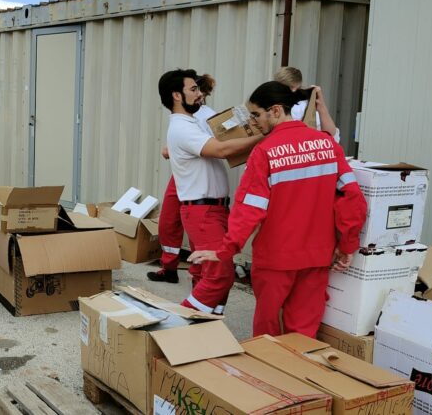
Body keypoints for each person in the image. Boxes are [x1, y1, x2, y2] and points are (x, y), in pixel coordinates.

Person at [188, 81, 367, 337]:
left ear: (275, 111)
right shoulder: (328, 145)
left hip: (275, 258)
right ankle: (298, 373)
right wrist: (348, 244)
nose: (253, 122)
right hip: (317, 256)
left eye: (256, 114)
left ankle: (268, 372)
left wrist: (225, 249)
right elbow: (352, 198)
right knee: (303, 332)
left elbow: (249, 209)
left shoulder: (265, 152)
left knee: (267, 332)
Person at [158, 68, 261, 315]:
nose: (199, 94)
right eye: (193, 89)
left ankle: (206, 329)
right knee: (220, 275)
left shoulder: (193, 123)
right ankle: (179, 324)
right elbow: (223, 150)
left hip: (209, 209)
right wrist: (262, 136)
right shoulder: (183, 128)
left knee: (205, 271)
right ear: (176, 96)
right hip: (203, 212)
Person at [149, 74, 217, 284]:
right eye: (193, 90)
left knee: (197, 227)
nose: (197, 95)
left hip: (196, 177)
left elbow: (213, 145)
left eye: (198, 90)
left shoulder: (209, 115)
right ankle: (169, 267)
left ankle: (198, 274)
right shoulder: (186, 116)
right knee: (169, 220)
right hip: (182, 172)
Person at [273, 66, 340, 140]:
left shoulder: (304, 106)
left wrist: (321, 106)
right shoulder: (305, 106)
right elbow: (333, 138)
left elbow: (333, 138)